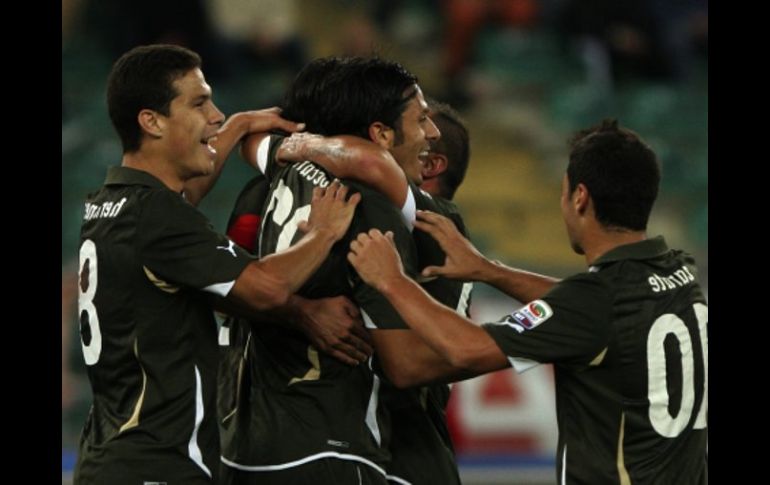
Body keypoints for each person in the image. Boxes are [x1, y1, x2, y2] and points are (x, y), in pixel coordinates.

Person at [348, 119, 708, 484]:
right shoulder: (680, 274)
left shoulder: (596, 302)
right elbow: (582, 307)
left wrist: (391, 280)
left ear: (579, 197)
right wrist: (490, 271)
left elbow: (466, 349)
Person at [74, 44, 361, 485]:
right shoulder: (156, 216)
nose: (215, 115)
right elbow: (266, 287)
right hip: (158, 466)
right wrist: (323, 232)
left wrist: (241, 124)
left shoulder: (111, 203)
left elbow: (181, 202)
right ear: (151, 121)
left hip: (113, 459)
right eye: (199, 102)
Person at [220, 56, 492, 485]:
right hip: (363, 448)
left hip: (246, 443)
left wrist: (289, 143)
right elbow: (409, 364)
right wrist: (526, 341)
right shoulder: (389, 213)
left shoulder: (270, 184)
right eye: (421, 120)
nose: (429, 132)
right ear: (381, 133)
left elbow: (236, 292)